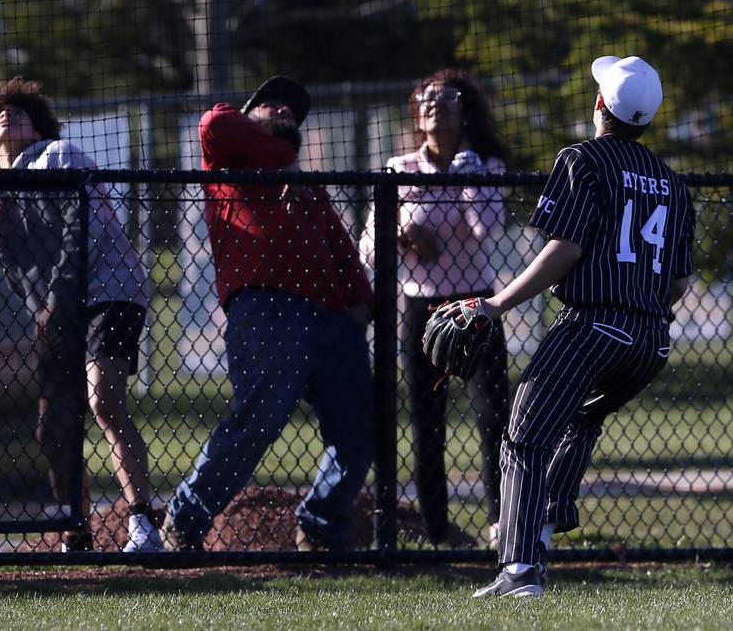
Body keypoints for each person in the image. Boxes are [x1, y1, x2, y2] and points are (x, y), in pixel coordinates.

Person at [432, 56, 695, 598]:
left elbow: (566, 248)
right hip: (650, 341)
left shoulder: (583, 159)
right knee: (577, 421)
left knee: (523, 439)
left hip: (591, 326)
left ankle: (521, 570)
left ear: (600, 105)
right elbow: (676, 284)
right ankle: (544, 528)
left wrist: (495, 304)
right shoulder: (673, 183)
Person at [163, 76, 375, 552]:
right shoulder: (229, 158)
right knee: (257, 421)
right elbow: (213, 121)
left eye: (290, 110)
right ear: (249, 113)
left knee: (359, 432)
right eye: (269, 103)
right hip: (266, 308)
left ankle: (320, 526)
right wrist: (282, 160)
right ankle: (185, 521)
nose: (281, 109)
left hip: (334, 319)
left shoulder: (307, 186)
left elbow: (339, 245)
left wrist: (362, 300)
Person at [0, 78, 163, 553]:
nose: (6, 115)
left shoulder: (59, 156)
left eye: (20, 112)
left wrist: (54, 301)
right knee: (52, 423)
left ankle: (143, 524)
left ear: (38, 127)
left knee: (103, 399)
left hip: (108, 290)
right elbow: (20, 277)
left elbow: (83, 235)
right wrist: (46, 312)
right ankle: (75, 531)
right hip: (58, 312)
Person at [360, 68, 510, 547]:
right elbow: (368, 248)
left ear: (465, 111)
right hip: (420, 308)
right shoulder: (399, 169)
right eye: (426, 100)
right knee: (427, 422)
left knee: (494, 418)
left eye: (446, 99)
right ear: (416, 114)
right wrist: (402, 232)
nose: (434, 106)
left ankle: (500, 521)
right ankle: (437, 526)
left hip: (475, 307)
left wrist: (465, 172)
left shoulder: (486, 166)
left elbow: (488, 227)